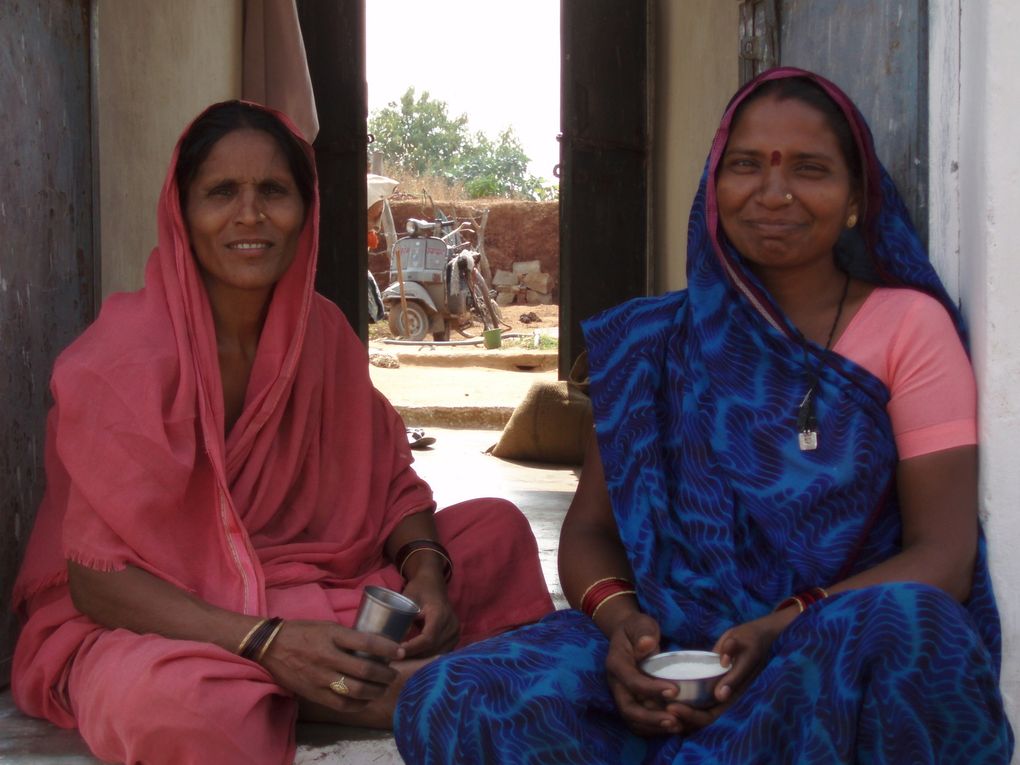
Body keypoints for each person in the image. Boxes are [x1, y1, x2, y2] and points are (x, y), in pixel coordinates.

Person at [394, 68, 1014, 763]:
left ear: (855, 199)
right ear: (715, 186)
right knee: (450, 694)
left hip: (820, 643)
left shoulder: (909, 328)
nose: (773, 192)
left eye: (809, 169)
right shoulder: (650, 342)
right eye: (746, 165)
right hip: (676, 649)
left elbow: (946, 553)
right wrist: (626, 629)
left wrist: (782, 625)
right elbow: (592, 530)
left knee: (914, 628)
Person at [10, 101, 554, 765]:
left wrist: (427, 574)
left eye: (273, 190)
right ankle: (355, 688)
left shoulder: (321, 334)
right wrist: (269, 640)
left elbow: (393, 486)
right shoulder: (123, 357)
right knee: (167, 705)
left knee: (494, 531)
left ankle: (321, 681)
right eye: (220, 192)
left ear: (307, 209)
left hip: (313, 587)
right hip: (171, 618)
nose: (249, 215)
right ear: (181, 212)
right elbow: (98, 582)